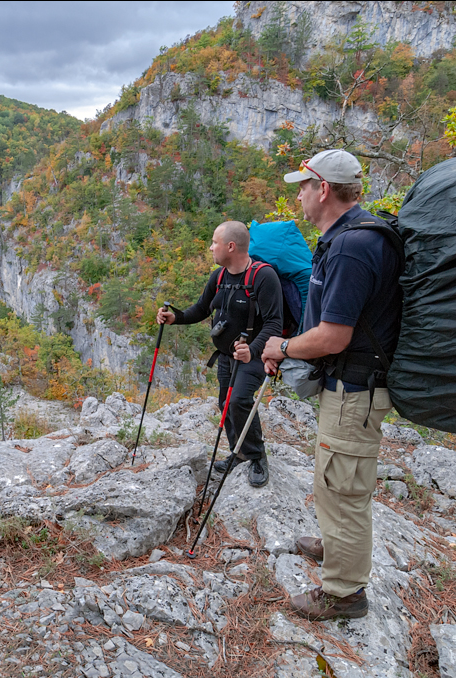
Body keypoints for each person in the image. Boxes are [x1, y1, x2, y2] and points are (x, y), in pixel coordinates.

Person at [261, 150, 402, 621]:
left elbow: (333, 336)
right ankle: (335, 545)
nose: (299, 195)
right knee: (333, 479)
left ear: (322, 189)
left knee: (342, 491)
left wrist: (283, 347)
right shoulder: (354, 236)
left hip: (355, 391)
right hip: (351, 387)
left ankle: (344, 592)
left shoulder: (350, 248)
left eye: (303, 186)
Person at [157, 220, 282, 487]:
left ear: (231, 246)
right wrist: (175, 318)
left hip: (253, 356)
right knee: (225, 404)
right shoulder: (220, 276)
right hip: (226, 356)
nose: (211, 247)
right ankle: (238, 453)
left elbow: (274, 323)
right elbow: (202, 308)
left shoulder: (263, 277)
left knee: (239, 401)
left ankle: (256, 456)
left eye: (215, 242)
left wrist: (252, 350)